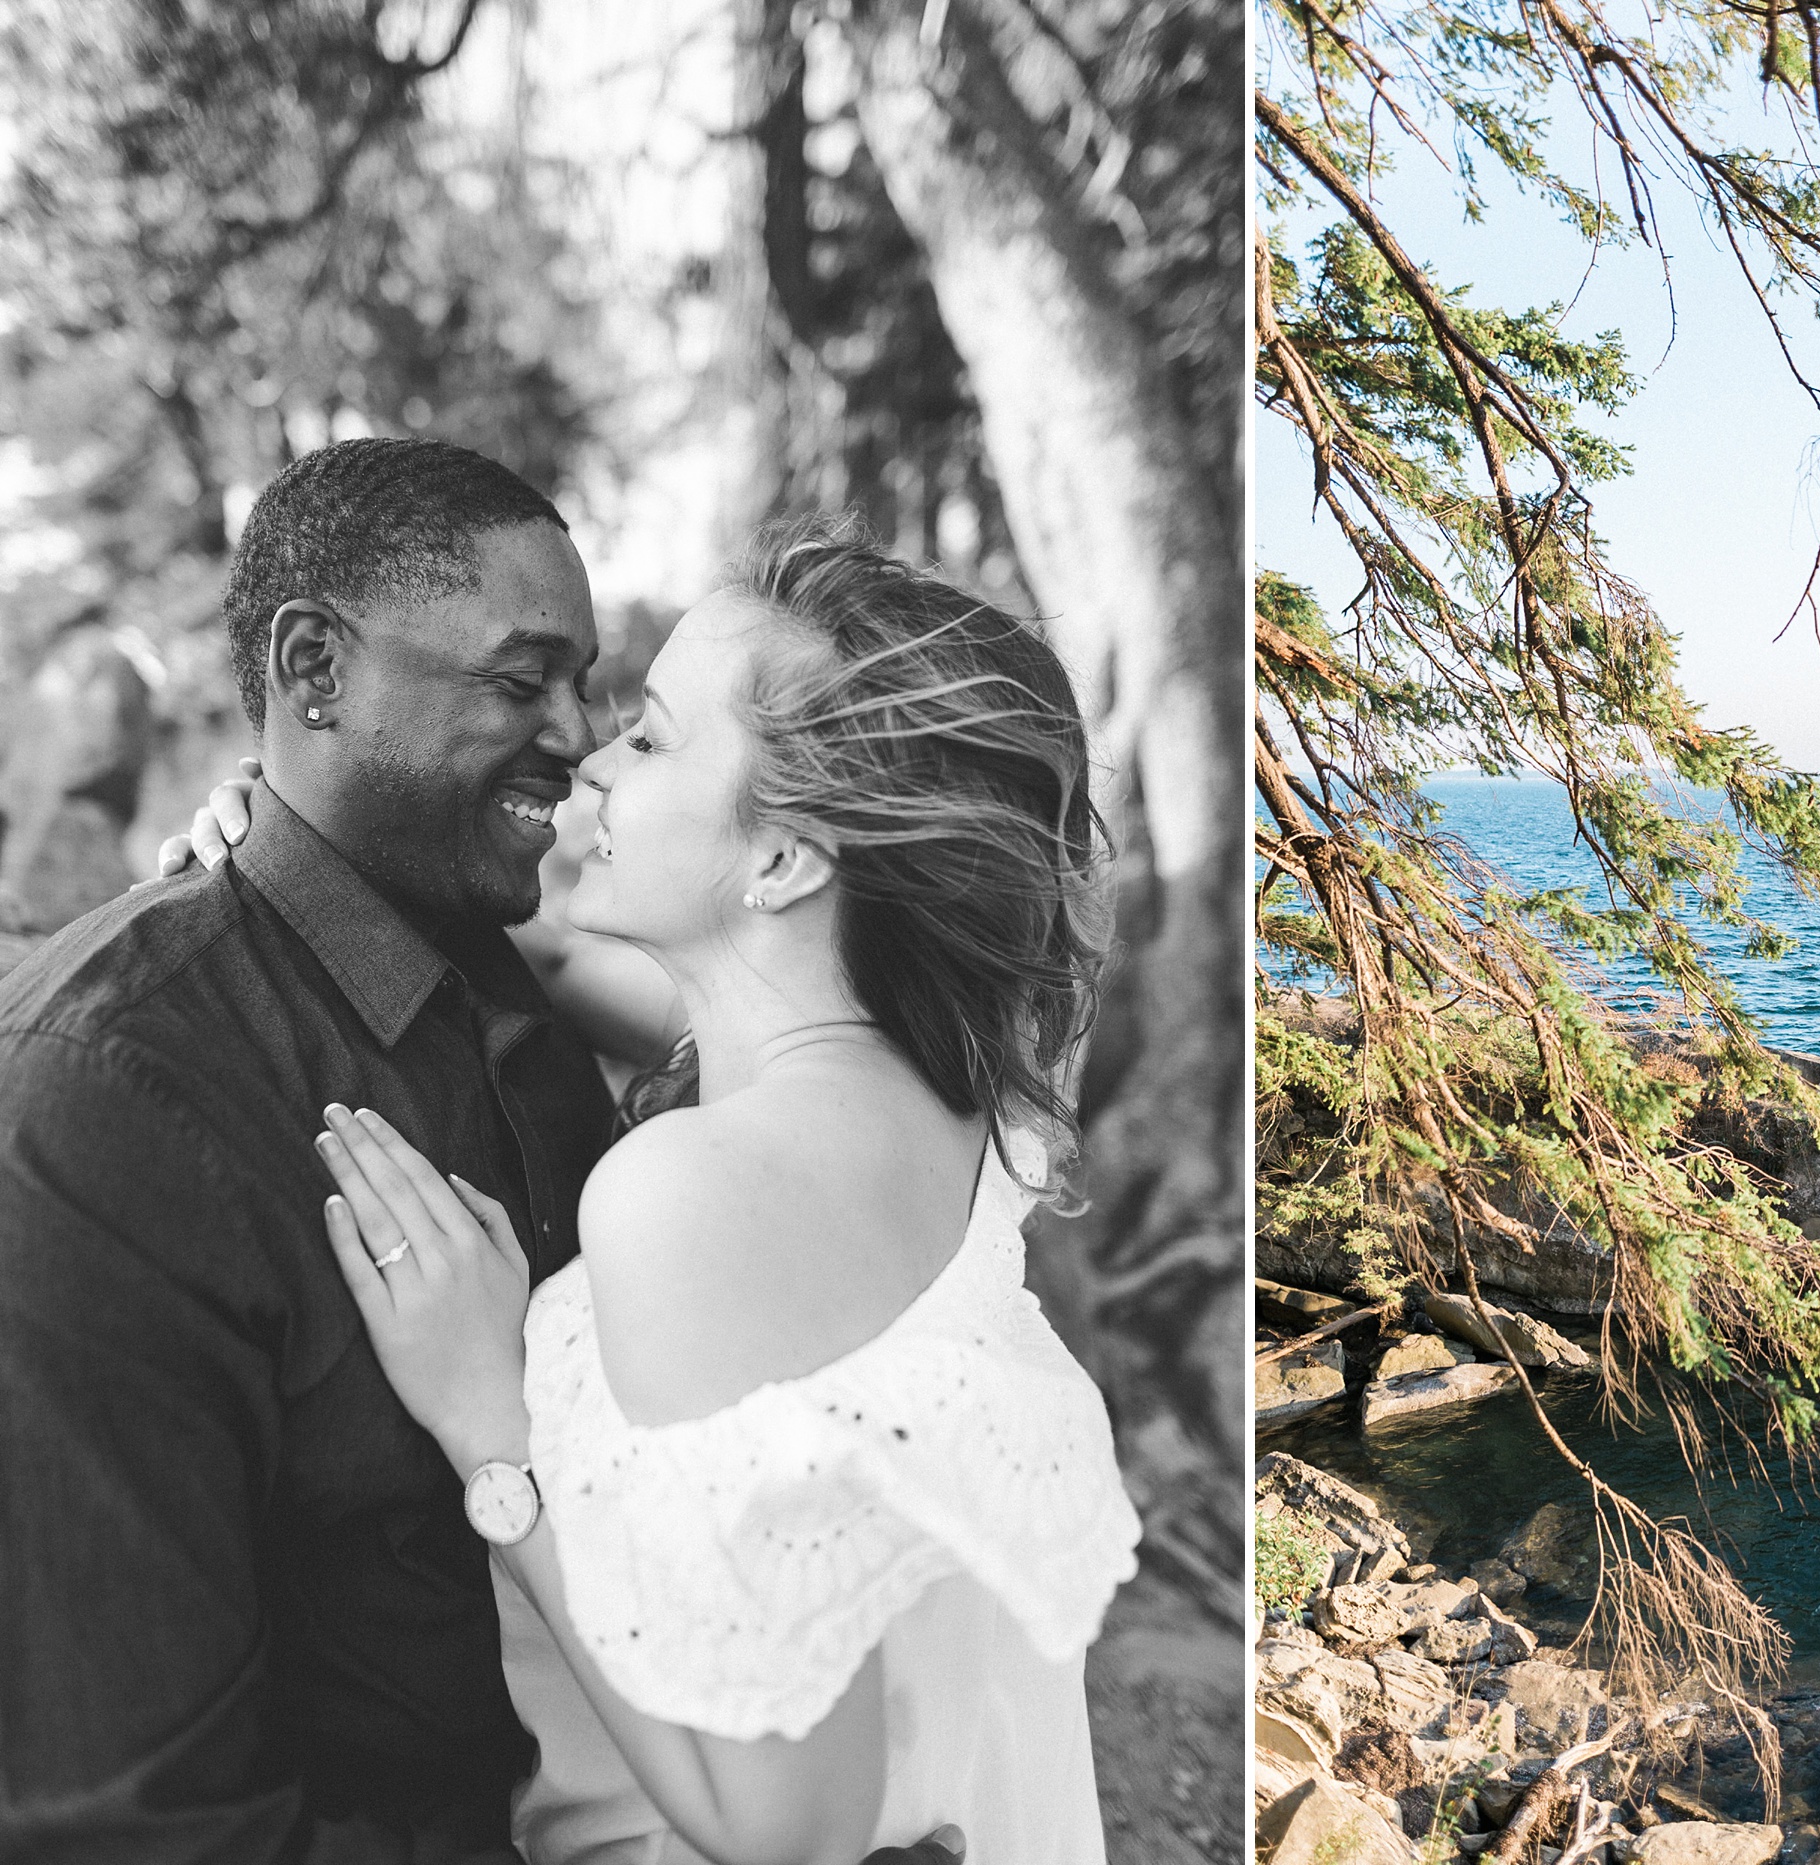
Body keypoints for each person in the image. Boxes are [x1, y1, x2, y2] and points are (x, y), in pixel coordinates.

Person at [0, 438, 979, 1864]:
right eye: (522, 683)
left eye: (597, 692)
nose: (578, 735)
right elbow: (136, 1827)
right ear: (315, 670)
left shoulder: (526, 981)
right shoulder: (109, 1108)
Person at [175, 512, 1141, 1862]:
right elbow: (575, 970)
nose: (592, 754)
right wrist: (287, 832)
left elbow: (790, 1828)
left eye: (655, 735)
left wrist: (491, 1434)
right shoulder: (958, 1102)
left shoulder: (688, 1195)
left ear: (787, 857)